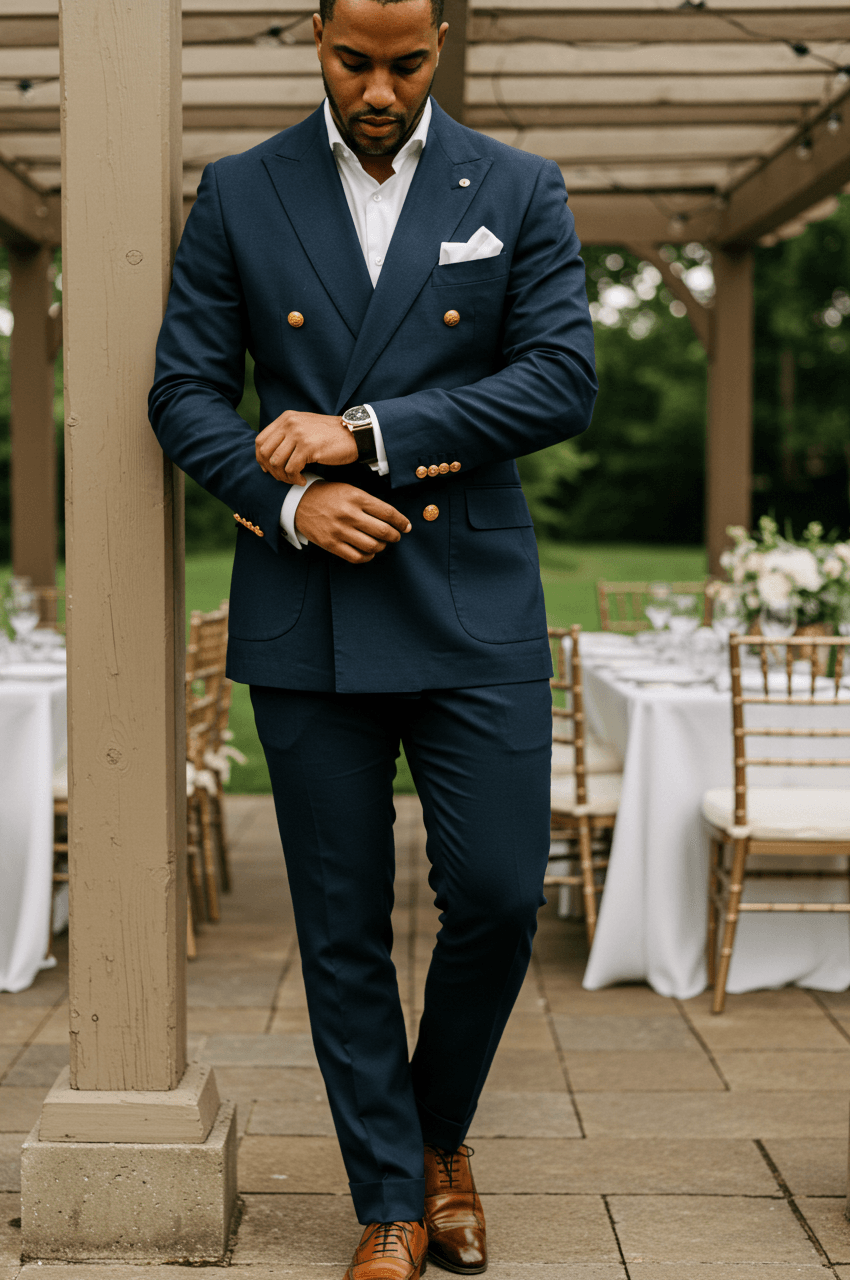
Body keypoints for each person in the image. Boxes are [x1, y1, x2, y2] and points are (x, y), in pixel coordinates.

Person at [149, 0, 596, 1273]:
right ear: (314, 37)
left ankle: (438, 1130)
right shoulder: (241, 190)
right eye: (354, 61)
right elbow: (181, 388)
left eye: (404, 62)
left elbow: (562, 375)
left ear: (442, 40)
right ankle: (393, 1198)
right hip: (309, 610)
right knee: (340, 923)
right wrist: (287, 499)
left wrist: (368, 432)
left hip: (470, 599)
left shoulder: (515, 186)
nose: (379, 89)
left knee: (501, 895)